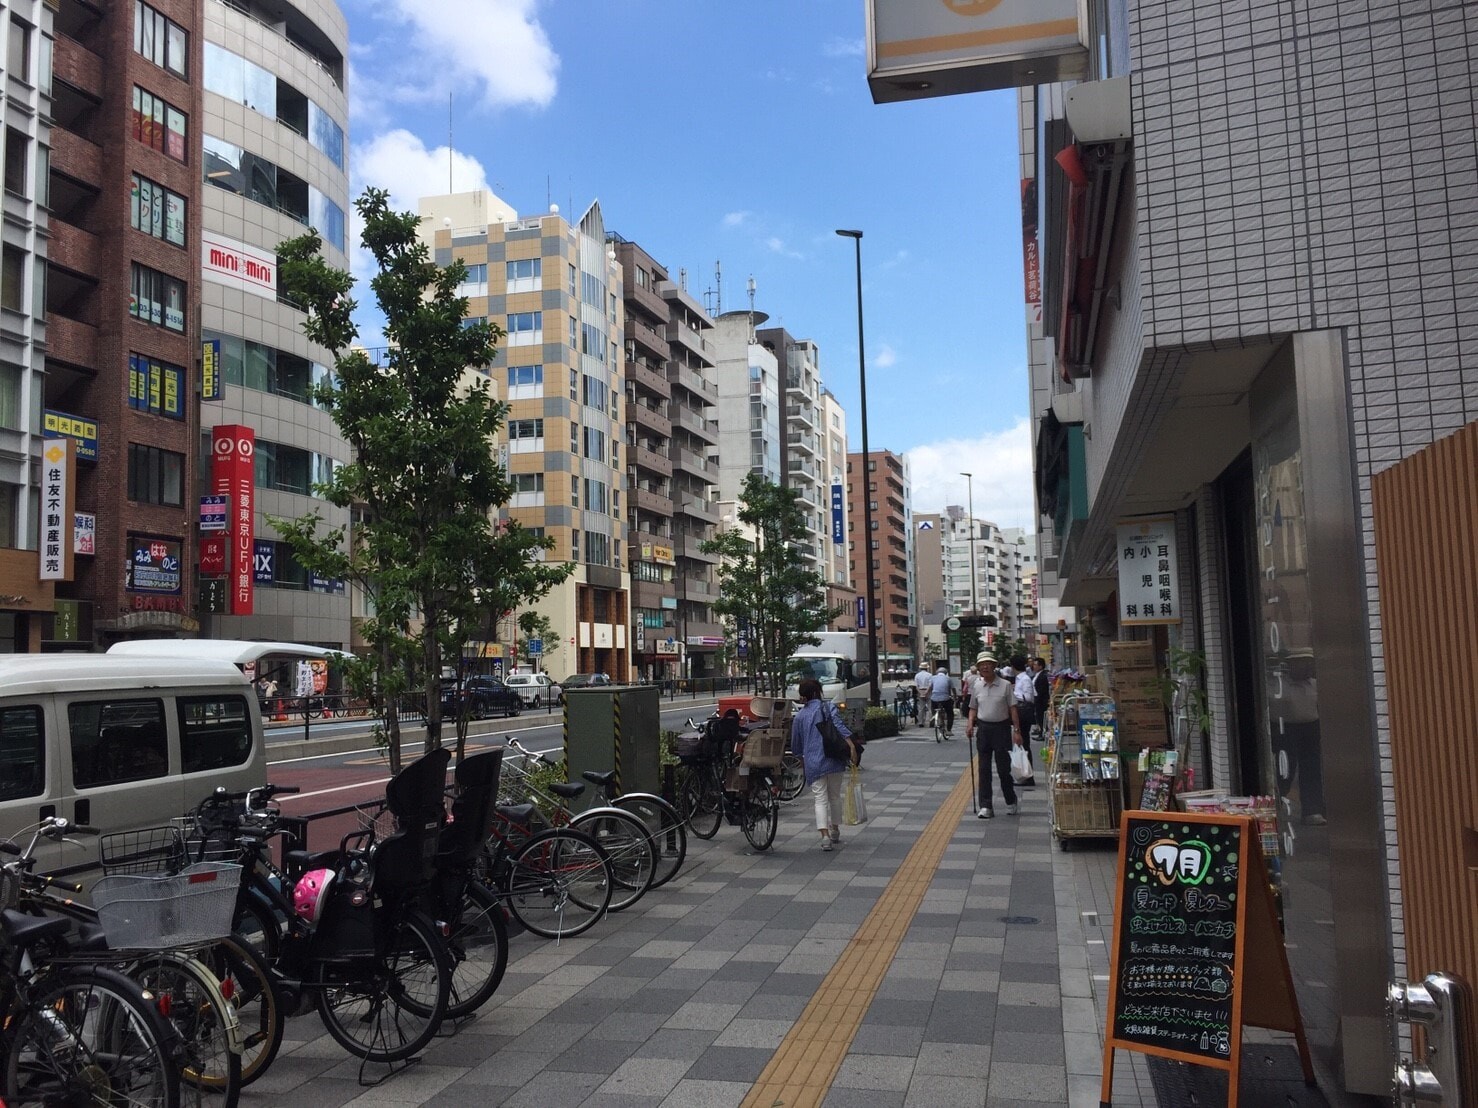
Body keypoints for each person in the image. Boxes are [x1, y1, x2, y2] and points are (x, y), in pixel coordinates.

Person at [790, 677, 854, 852]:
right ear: (817, 692)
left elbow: (796, 745)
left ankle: (824, 836)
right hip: (833, 758)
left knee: (820, 799)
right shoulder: (828, 707)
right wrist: (850, 744)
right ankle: (835, 829)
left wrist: (800, 759)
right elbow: (839, 726)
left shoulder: (800, 717)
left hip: (813, 762)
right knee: (834, 796)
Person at [966, 653, 1022, 819]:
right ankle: (986, 806)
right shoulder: (977, 685)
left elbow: (1013, 709)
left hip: (1002, 729)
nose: (985, 667)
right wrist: (970, 724)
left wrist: (1017, 732)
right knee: (983, 769)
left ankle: (1011, 800)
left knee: (1003, 769)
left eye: (988, 664)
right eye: (982, 664)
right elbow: (973, 708)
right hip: (983, 729)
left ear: (994, 665)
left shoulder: (1005, 685)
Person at [1011, 654, 1036, 786]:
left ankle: (1028, 776)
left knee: (1024, 743)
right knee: (1021, 743)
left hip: (1023, 713)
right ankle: (1024, 774)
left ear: (1013, 666)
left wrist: (1012, 694)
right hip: (1021, 713)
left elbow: (1028, 697)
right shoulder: (1020, 678)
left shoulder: (1025, 679)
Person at [928, 663, 956, 737]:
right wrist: (955, 697)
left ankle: (934, 716)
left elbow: (930, 688)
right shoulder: (948, 679)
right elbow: (953, 689)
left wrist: (926, 694)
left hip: (934, 698)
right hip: (945, 699)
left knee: (933, 707)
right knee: (950, 713)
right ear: (946, 673)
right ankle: (949, 730)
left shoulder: (933, 678)